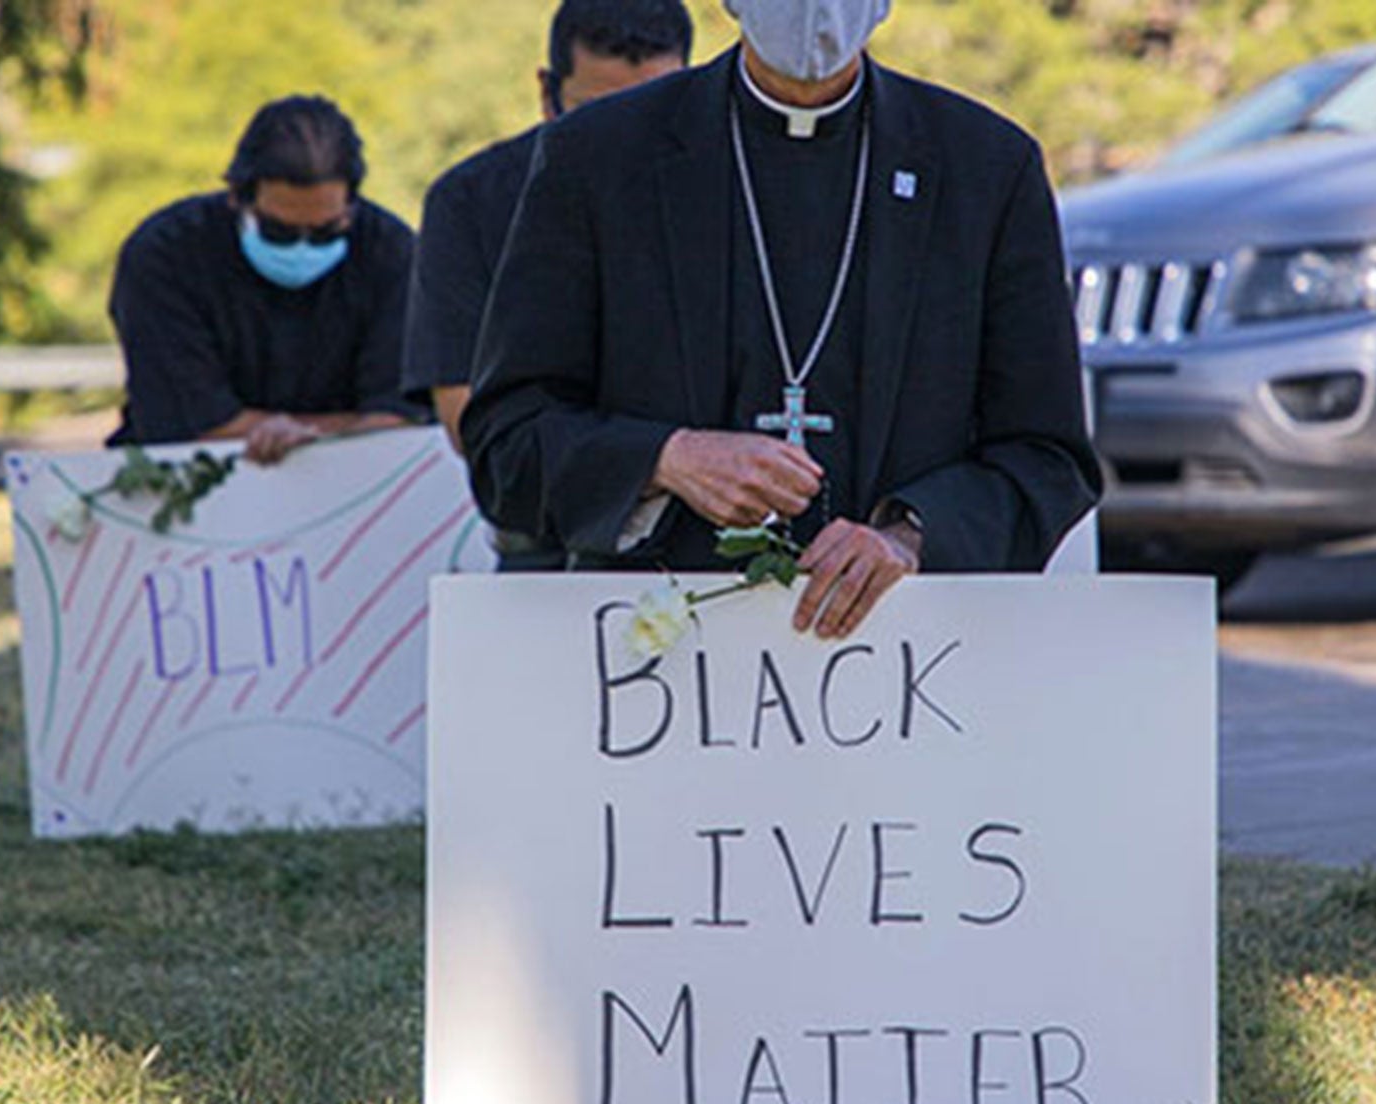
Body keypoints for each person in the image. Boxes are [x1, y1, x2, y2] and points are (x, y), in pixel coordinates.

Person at [461, 0, 1101, 638]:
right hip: (657, 668)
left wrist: (911, 536)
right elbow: (507, 440)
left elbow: (1046, 457)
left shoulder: (985, 168)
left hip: (911, 663)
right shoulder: (598, 157)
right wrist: (666, 459)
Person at [402, 0, 693, 570]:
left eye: (654, 110)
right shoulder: (470, 201)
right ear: (548, 92)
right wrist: (658, 459)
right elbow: (471, 420)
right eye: (598, 115)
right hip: (548, 547)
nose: (624, 140)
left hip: (708, 550)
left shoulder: (729, 191)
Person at [107, 95, 422, 464]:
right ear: (237, 199)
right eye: (280, 233)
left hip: (355, 486)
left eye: (325, 232)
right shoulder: (164, 255)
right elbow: (186, 423)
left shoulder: (392, 253)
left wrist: (294, 434)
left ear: (351, 207)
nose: (302, 247)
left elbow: (399, 421)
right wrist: (344, 430)